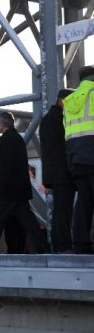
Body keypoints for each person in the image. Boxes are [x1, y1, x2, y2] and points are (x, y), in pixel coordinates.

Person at [0, 112, 50, 253]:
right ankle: (44, 247)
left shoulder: (6, 140)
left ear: (2, 124)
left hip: (7, 191)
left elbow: (4, 168)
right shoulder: (17, 138)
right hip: (20, 190)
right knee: (29, 222)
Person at [63, 65, 94, 254]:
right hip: (92, 154)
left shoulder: (69, 100)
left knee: (84, 201)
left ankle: (81, 244)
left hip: (76, 158)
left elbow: (67, 132)